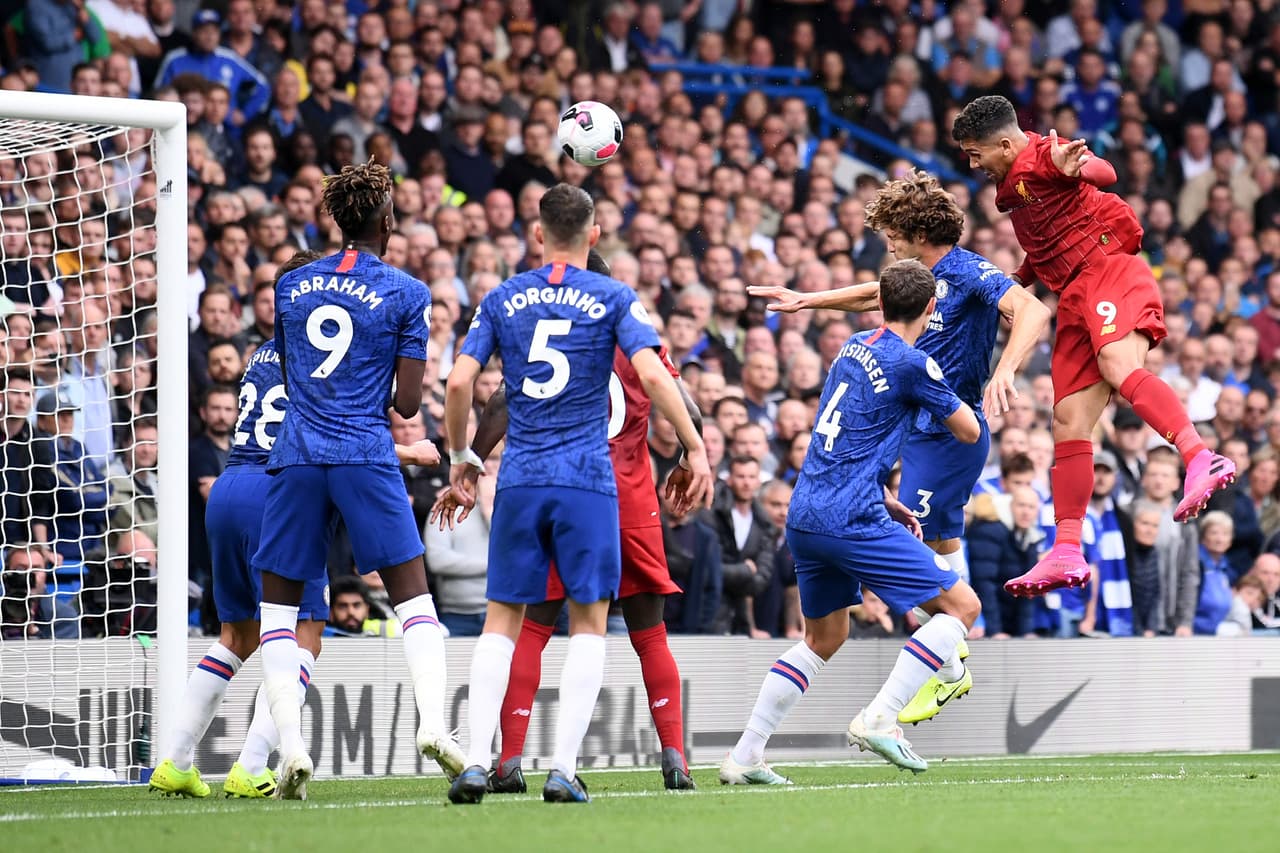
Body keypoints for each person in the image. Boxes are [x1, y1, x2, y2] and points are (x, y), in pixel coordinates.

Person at [439, 184, 712, 804]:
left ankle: (482, 762)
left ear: (536, 234)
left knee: (505, 623)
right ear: (594, 235)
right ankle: (564, 770)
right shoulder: (616, 298)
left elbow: (461, 383)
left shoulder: (503, 297)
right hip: (593, 484)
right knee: (595, 625)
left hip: (522, 479)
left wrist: (463, 458)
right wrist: (695, 448)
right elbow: (655, 377)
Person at [748, 170, 1049, 722]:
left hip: (952, 436)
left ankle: (941, 674)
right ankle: (953, 655)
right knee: (936, 547)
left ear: (917, 232)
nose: (885, 242)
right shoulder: (919, 278)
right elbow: (878, 294)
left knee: (922, 572)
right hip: (923, 433)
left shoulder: (968, 269)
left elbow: (1033, 310)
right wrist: (807, 300)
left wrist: (1005, 370)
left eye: (891, 232)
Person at [151, 251, 445, 799]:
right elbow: (330, 433)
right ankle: (254, 762)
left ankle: (175, 760)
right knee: (304, 633)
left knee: (236, 636)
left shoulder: (266, 348)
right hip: (279, 488)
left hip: (230, 485)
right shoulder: (334, 348)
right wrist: (409, 452)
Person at [951, 95, 1237, 597]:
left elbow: (1102, 174)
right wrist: (1010, 284)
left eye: (975, 153)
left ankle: (1200, 457)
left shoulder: (1044, 155)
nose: (971, 163)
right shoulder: (1012, 187)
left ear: (1003, 143)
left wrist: (1076, 165)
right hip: (1074, 294)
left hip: (1109, 270)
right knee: (1067, 421)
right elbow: (1047, 244)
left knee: (1117, 362)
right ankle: (1066, 550)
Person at [721, 259, 982, 784]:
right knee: (962, 605)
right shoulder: (913, 364)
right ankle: (882, 717)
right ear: (931, 309)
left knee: (823, 638)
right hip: (849, 517)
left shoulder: (851, 346)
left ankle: (745, 756)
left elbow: (842, 434)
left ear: (880, 304)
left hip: (808, 510)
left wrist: (884, 493)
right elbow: (970, 431)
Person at [251, 162, 464, 801]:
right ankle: (433, 724)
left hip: (296, 454)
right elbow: (404, 403)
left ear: (336, 219)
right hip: (364, 452)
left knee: (279, 611)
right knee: (414, 600)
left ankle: (290, 748)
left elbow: (292, 375)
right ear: (388, 221)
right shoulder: (406, 292)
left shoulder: (290, 284)